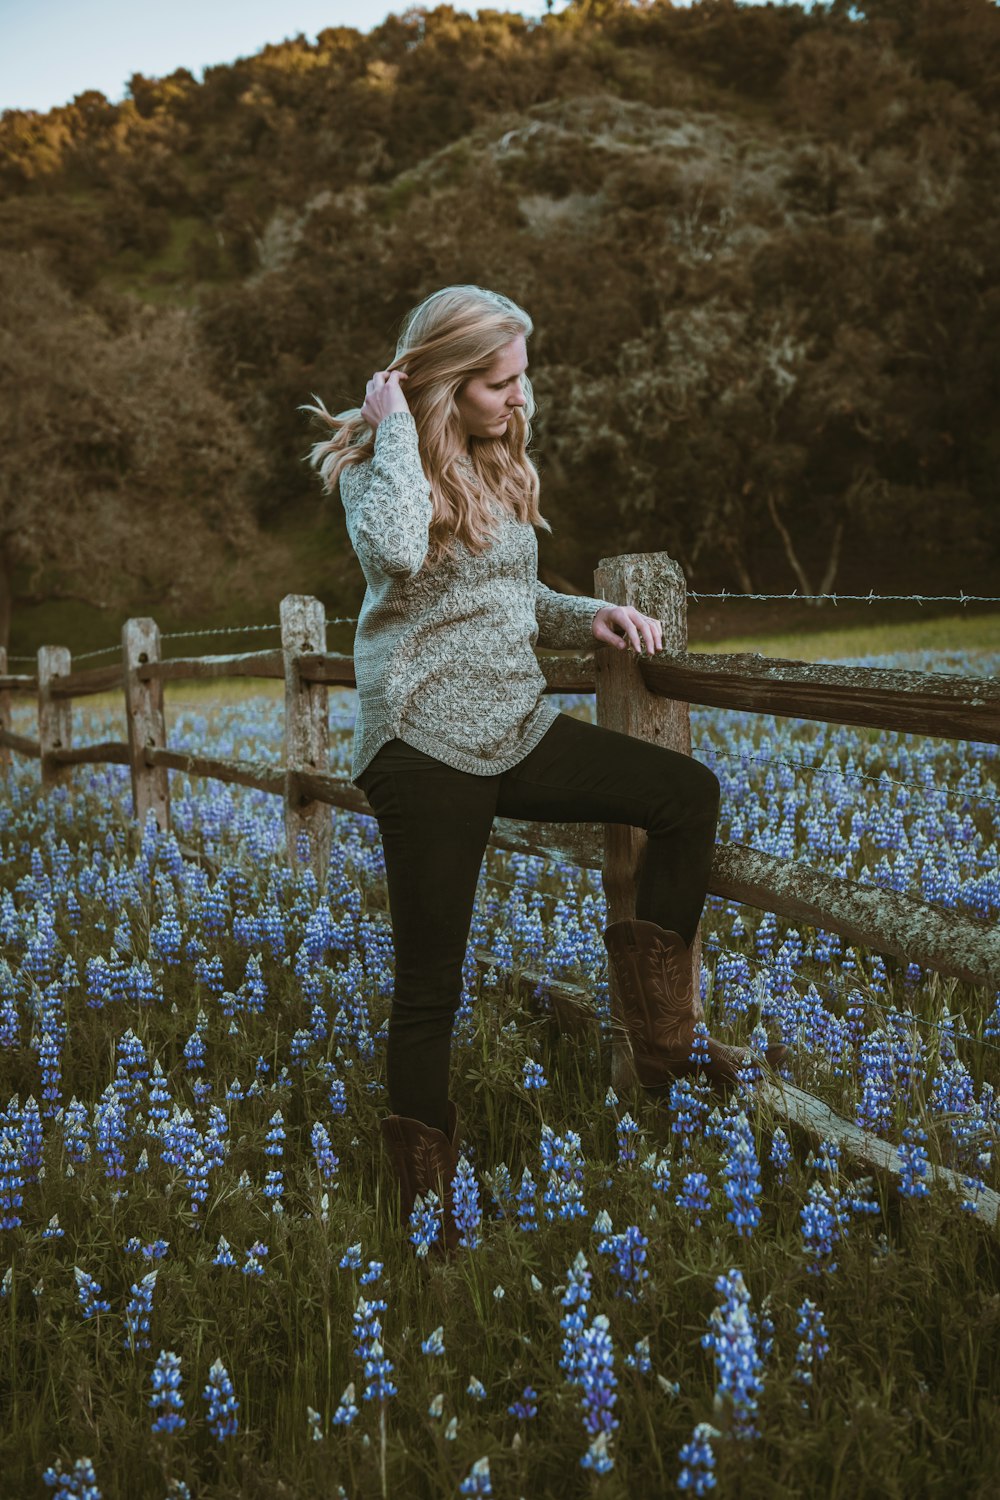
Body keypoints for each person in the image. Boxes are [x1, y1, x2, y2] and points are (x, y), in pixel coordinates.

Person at [304, 285, 785, 1255]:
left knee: (683, 794)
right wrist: (392, 426)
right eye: (498, 383)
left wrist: (585, 617)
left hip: (514, 726)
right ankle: (430, 1219)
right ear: (442, 381)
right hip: (422, 747)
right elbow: (398, 554)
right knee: (430, 984)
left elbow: (507, 590)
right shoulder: (375, 466)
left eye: (522, 378)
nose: (519, 400)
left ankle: (659, 1043)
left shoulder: (495, 460)